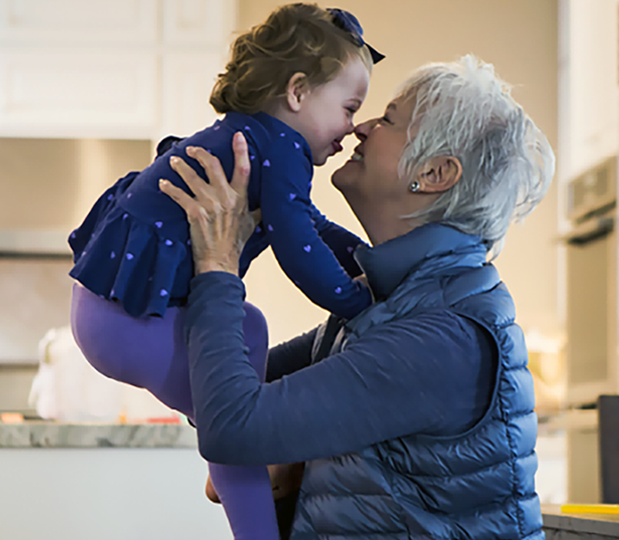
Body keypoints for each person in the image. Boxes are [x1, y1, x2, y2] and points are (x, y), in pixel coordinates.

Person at [163, 55, 550, 538]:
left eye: (389, 120)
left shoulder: (444, 334)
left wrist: (217, 266)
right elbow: (205, 389)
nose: (362, 127)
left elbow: (231, 426)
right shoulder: (389, 301)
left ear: (434, 174)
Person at [66, 4, 381, 538]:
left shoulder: (253, 138)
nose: (352, 129)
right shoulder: (280, 150)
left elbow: (309, 224)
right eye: (349, 108)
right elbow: (299, 247)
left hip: (103, 315)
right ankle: (250, 500)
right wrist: (356, 303)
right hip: (128, 325)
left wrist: (368, 264)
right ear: (298, 92)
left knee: (249, 329)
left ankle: (239, 464)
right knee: (239, 432)